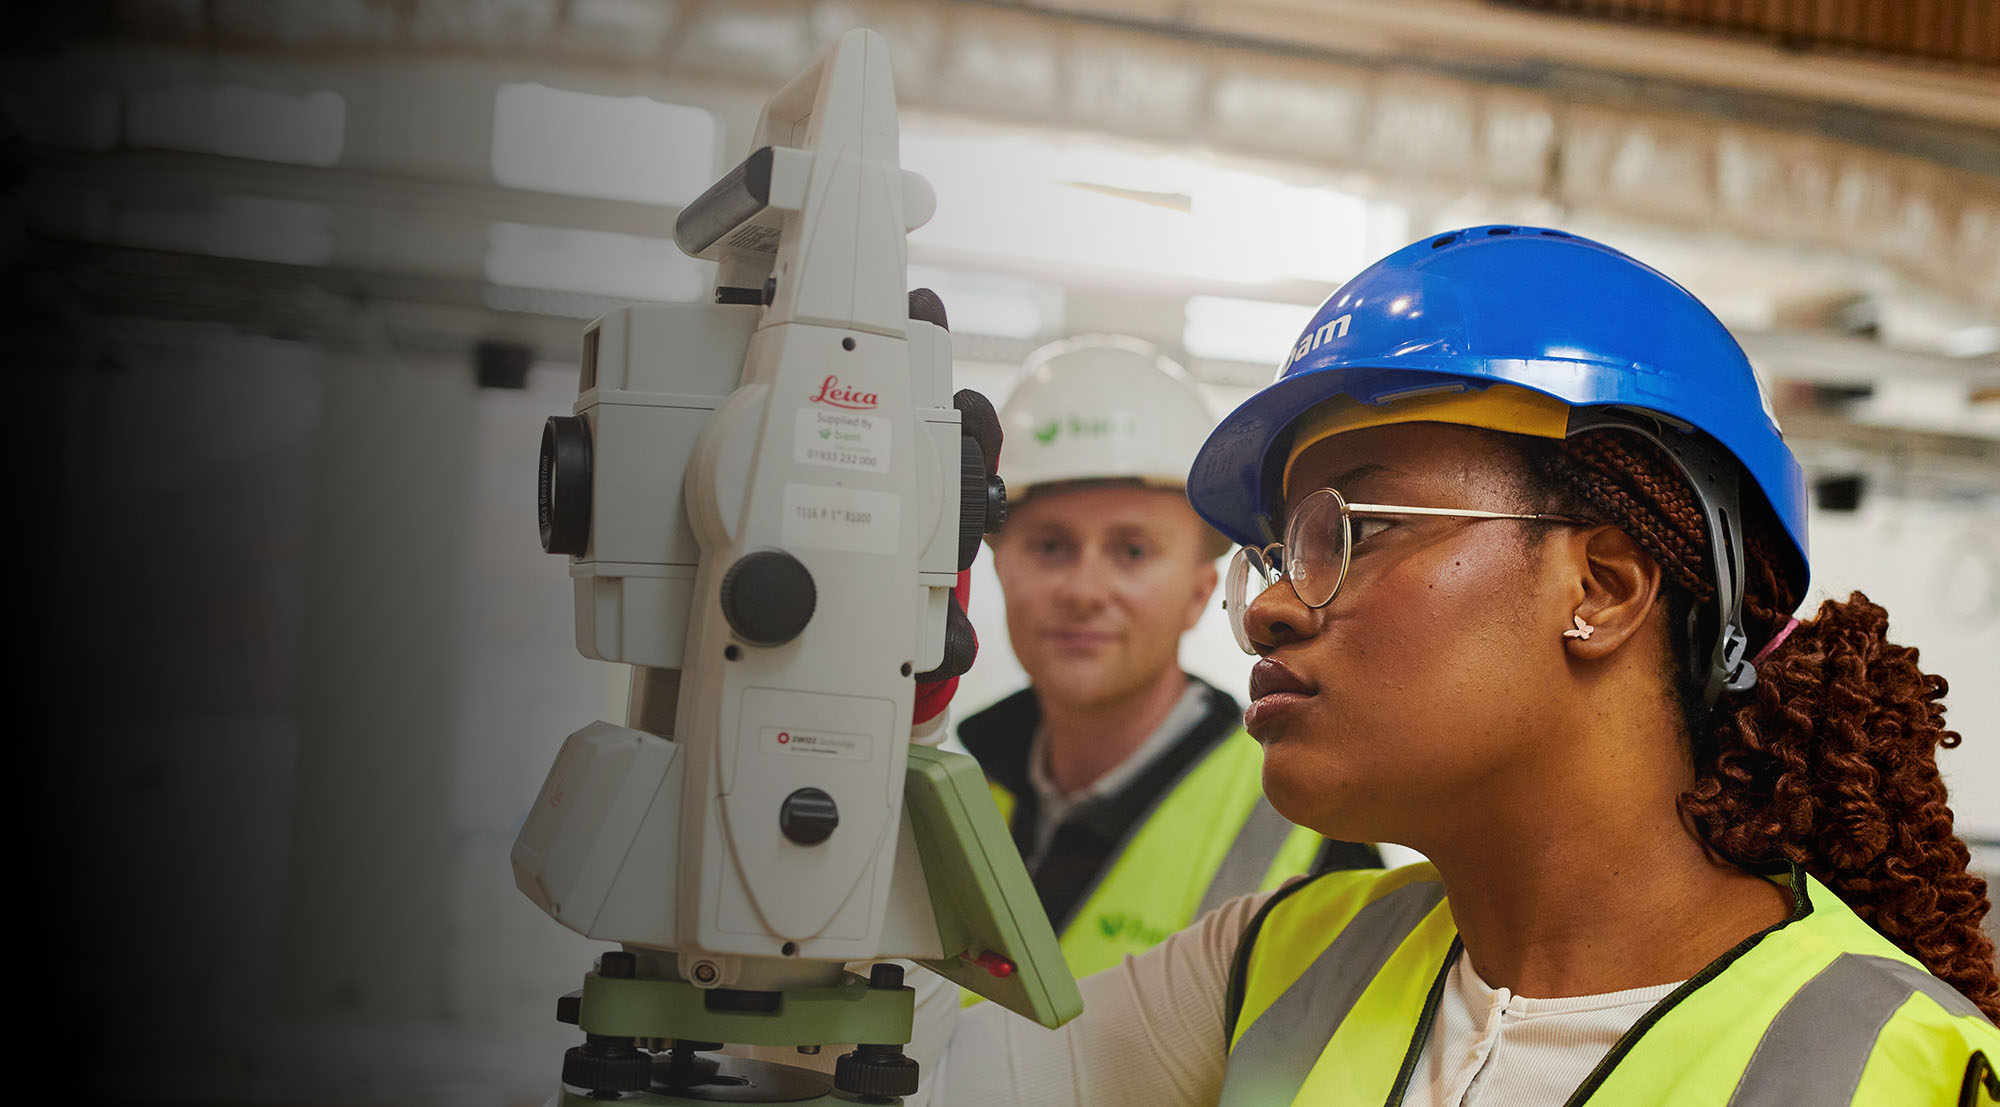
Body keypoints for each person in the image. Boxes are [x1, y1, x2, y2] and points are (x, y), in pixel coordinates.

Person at [935, 227, 2000, 1105]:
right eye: (1273, 554)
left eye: (1354, 527)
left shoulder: (1887, 1068)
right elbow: (910, 1076)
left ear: (1602, 587)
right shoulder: (1276, 964)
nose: (1262, 609)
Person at [961, 336, 1380, 986]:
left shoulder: (1311, 826)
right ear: (998, 563)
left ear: (1198, 592)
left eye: (1131, 551)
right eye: (1049, 545)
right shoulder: (949, 787)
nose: (1083, 590)